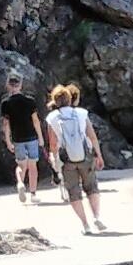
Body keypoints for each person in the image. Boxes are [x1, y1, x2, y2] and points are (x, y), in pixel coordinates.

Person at [44, 83, 103, 230]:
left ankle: (85, 224)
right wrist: (99, 155)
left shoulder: (52, 117)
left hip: (66, 160)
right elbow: (92, 137)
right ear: (70, 99)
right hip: (85, 156)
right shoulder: (82, 113)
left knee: (73, 192)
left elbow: (53, 144)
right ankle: (96, 217)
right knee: (92, 187)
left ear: (55, 101)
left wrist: (55, 160)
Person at [0, 83, 46, 203]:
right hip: (32, 137)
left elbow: (6, 124)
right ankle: (33, 194)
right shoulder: (30, 101)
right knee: (32, 166)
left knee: (21, 165)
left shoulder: (6, 103)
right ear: (20, 85)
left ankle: (20, 183)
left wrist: (8, 141)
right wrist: (41, 138)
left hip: (17, 139)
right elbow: (35, 121)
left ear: (8, 86)